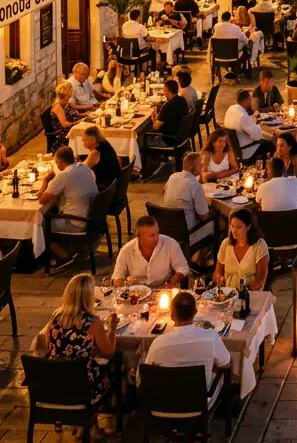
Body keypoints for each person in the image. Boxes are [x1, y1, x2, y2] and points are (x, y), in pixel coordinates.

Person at [41, 274, 116, 406]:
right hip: (83, 388)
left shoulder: (56, 315)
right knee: (115, 370)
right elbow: (109, 352)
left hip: (54, 383)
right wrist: (112, 328)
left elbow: (49, 345)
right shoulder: (93, 322)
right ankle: (106, 414)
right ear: (88, 296)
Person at [143, 290, 231, 402]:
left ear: (172, 315)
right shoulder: (210, 337)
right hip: (198, 405)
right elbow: (226, 364)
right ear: (195, 312)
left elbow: (145, 377)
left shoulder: (158, 344)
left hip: (163, 406)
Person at [39, 146, 98, 268]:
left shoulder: (64, 175)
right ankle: (69, 248)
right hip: (91, 217)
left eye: (57, 163)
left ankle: (64, 256)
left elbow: (42, 199)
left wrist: (45, 180)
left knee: (39, 224)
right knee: (53, 211)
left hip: (76, 222)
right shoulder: (84, 168)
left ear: (60, 162)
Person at [112, 215, 189, 287]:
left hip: (162, 290)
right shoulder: (126, 250)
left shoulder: (170, 244)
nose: (156, 239)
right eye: (151, 235)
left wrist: (171, 283)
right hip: (136, 294)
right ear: (139, 236)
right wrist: (120, 284)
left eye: (157, 233)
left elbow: (183, 268)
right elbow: (117, 276)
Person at [163, 152, 214, 246]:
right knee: (217, 223)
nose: (202, 166)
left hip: (168, 229)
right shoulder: (195, 185)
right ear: (192, 167)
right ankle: (203, 258)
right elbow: (204, 217)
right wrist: (214, 211)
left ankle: (198, 257)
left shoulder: (173, 177)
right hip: (187, 234)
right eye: (200, 164)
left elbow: (163, 191)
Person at [214, 209, 268, 290]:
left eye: (238, 227)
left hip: (250, 293)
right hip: (228, 294)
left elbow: (261, 276)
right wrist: (220, 281)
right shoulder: (226, 244)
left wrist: (244, 292)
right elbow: (218, 271)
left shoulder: (259, 245)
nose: (234, 230)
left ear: (248, 227)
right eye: (232, 226)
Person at [224, 89, 270, 162]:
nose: (251, 102)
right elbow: (257, 137)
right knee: (271, 144)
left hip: (235, 150)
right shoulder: (242, 116)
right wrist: (257, 125)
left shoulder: (230, 109)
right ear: (246, 100)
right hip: (247, 151)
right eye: (250, 100)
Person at [49, 81, 82, 152]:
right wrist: (78, 122)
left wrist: (86, 114)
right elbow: (65, 124)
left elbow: (75, 110)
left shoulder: (65, 101)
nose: (72, 92)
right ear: (66, 92)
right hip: (64, 133)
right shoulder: (58, 106)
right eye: (71, 90)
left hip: (72, 126)